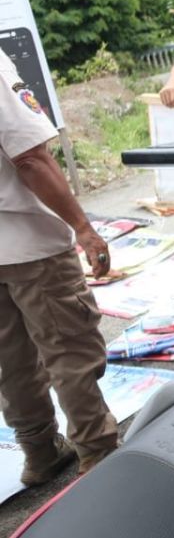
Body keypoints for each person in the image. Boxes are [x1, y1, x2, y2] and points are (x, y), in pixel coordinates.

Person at [0, 52, 119, 484]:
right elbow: (30, 157)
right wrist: (84, 229)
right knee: (70, 348)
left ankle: (39, 451)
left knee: (10, 360)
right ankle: (98, 451)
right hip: (28, 243)